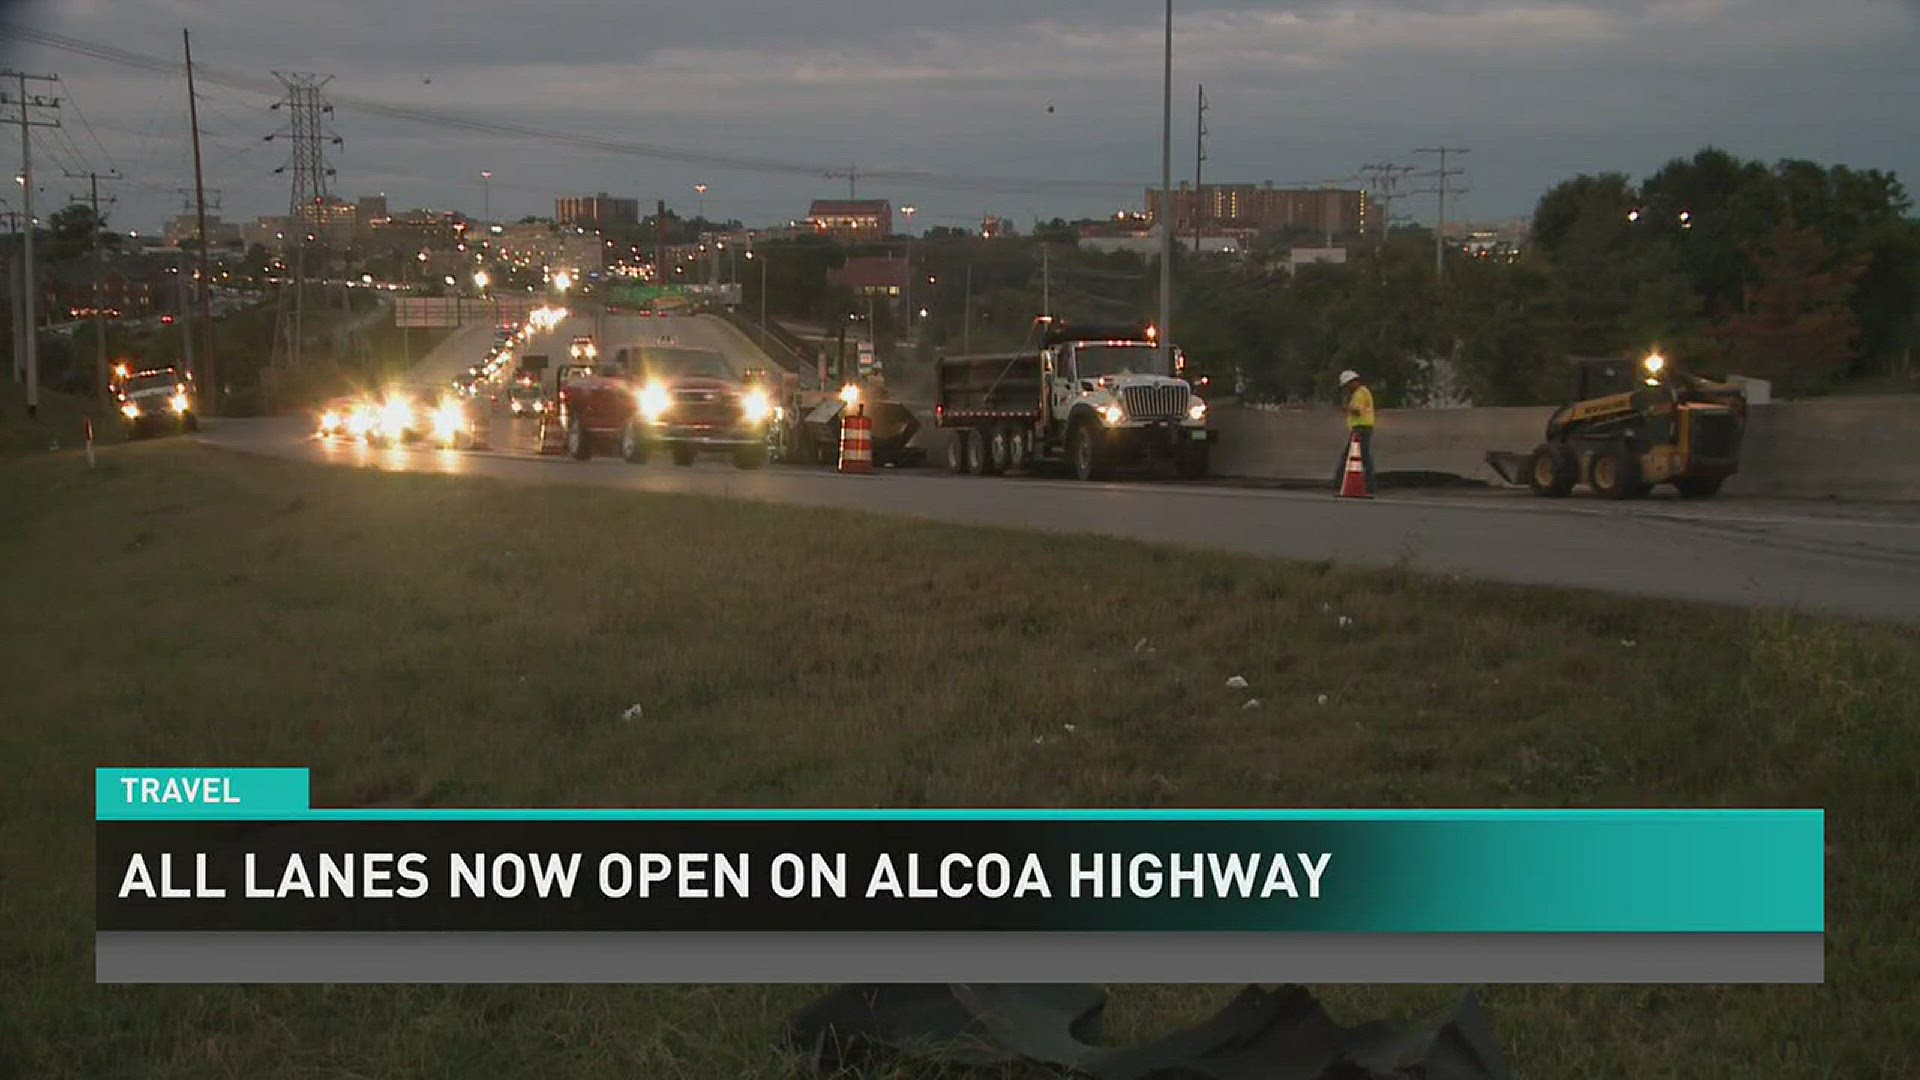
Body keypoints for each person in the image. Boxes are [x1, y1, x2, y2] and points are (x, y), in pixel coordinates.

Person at [1336, 369, 1375, 490]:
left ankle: (1339, 482)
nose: (1347, 388)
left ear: (1353, 382)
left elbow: (1357, 411)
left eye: (1348, 385)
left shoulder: (1360, 393)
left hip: (1361, 428)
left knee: (1354, 456)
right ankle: (1368, 484)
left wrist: (1346, 408)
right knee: (1362, 456)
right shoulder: (1362, 392)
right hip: (1362, 428)